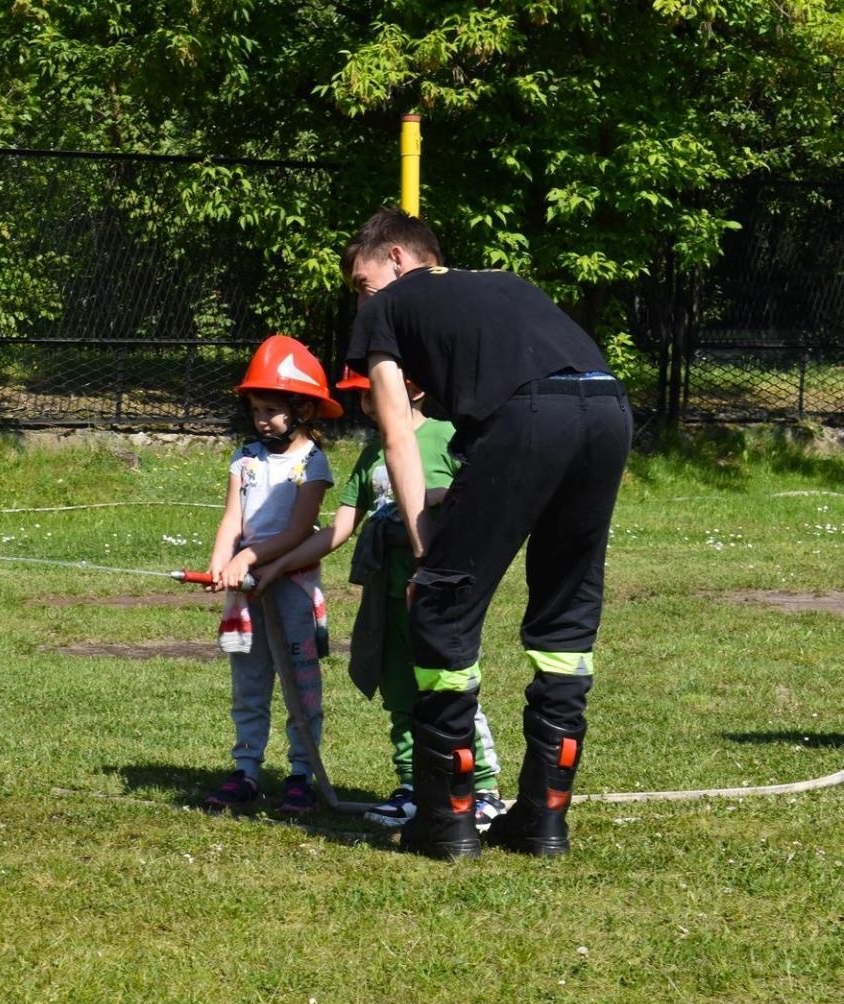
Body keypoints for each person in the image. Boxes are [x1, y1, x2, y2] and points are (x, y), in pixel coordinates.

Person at [340, 208, 632, 859]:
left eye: (360, 283)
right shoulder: (501, 283)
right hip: (609, 405)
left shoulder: (387, 304)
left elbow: (397, 433)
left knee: (441, 611)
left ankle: (447, 822)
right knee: (565, 621)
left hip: (530, 411)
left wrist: (424, 554)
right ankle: (542, 818)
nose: (361, 300)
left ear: (395, 257)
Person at [255, 366, 504, 831]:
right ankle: (414, 787)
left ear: (417, 388)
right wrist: (278, 566)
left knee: (450, 687)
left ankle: (483, 789)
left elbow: (482, 501)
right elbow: (341, 527)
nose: (369, 404)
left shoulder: (448, 436)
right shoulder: (372, 453)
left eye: (375, 393)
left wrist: (435, 495)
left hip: (438, 587)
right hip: (385, 594)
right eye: (363, 396)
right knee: (399, 691)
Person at [201, 334, 340, 818]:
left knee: (301, 682)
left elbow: (300, 529)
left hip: (292, 588)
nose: (262, 420)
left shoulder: (311, 464)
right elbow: (232, 519)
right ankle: (246, 770)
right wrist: (223, 558)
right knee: (250, 680)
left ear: (302, 409)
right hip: (247, 588)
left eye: (272, 410)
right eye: (256, 409)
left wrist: (249, 558)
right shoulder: (245, 458)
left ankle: (301, 774)